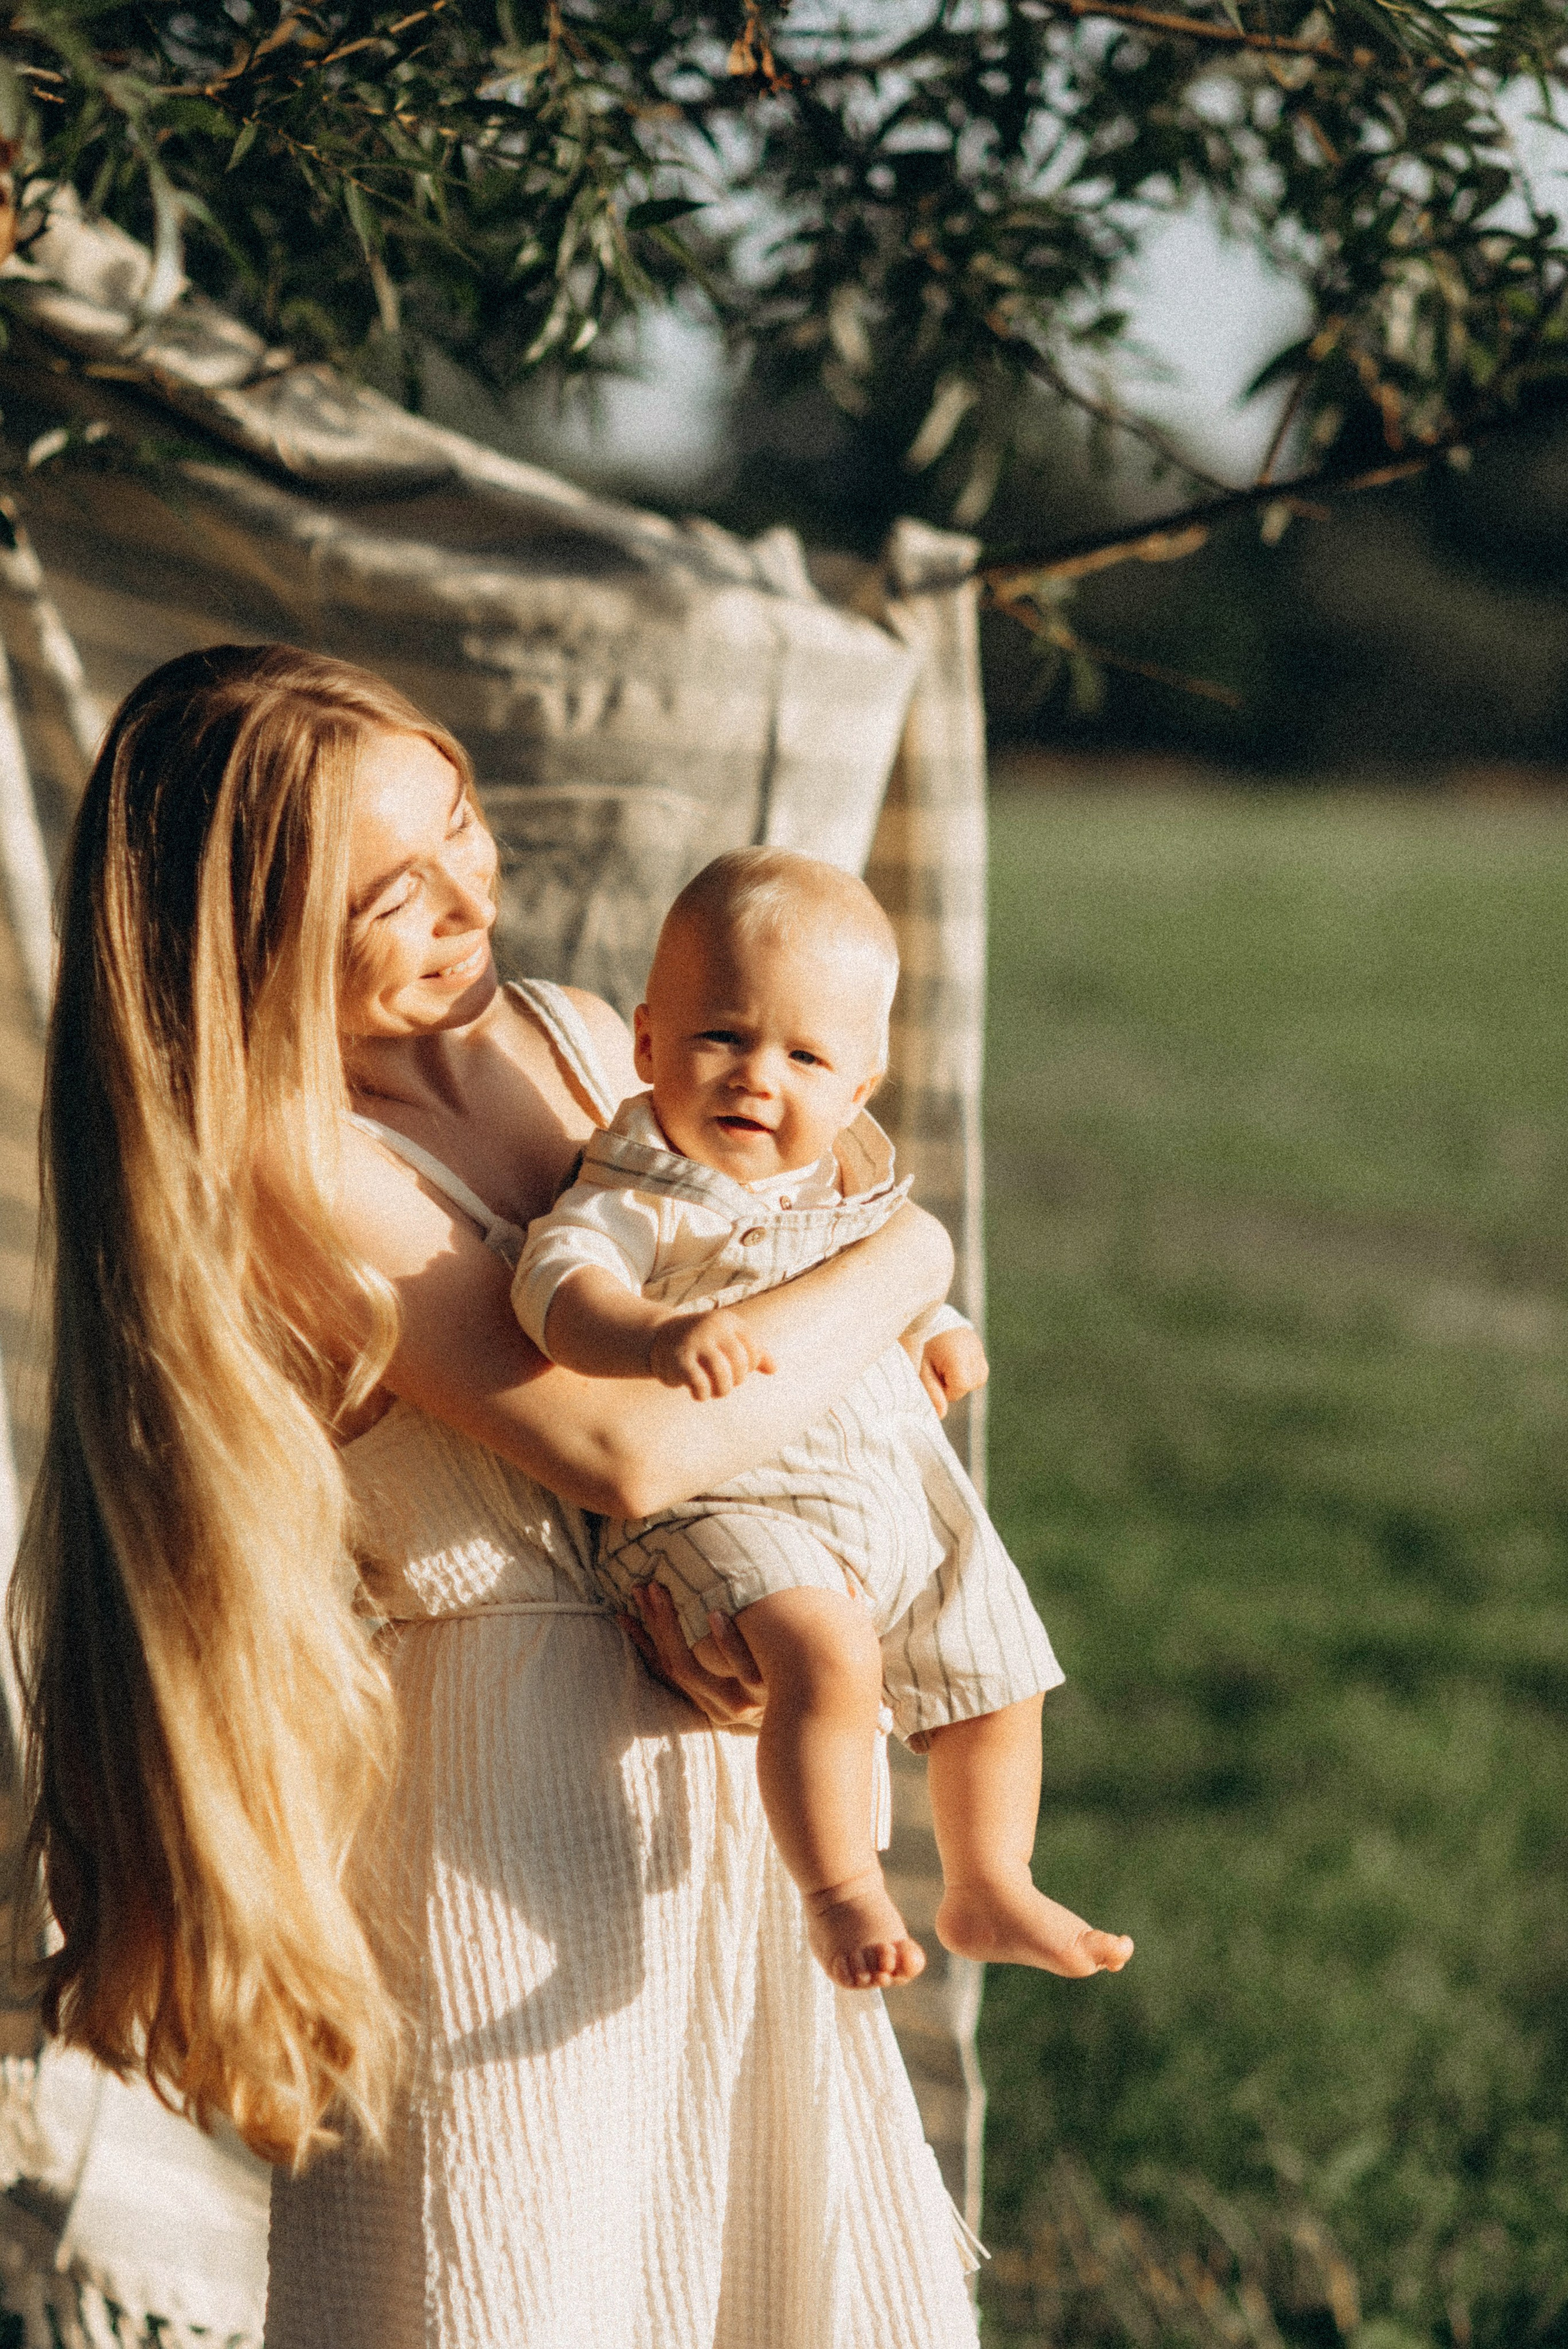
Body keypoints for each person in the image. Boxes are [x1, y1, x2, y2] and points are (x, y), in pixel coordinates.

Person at [10, 645, 984, 2349]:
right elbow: (631, 1446)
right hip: (495, 1797)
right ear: (254, 935)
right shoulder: (291, 1166)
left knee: (750, 2265)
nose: (471, 896)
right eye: (397, 894)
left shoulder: (577, 1033)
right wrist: (913, 1249)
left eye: (463, 829)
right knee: (517, 2274)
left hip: (700, 1773)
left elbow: (755, 1273)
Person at [512, 848, 1135, 1996]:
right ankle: (841, 1888)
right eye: (722, 1038)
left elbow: (880, 1280)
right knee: (828, 1655)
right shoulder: (640, 1189)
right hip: (728, 1502)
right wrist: (646, 1335)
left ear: (859, 1087)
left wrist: (933, 1327)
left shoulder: (841, 1189)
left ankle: (990, 1879)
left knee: (1003, 1673)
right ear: (648, 1045)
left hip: (892, 1493)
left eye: (804, 1056)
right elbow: (557, 1285)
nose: (759, 1078)